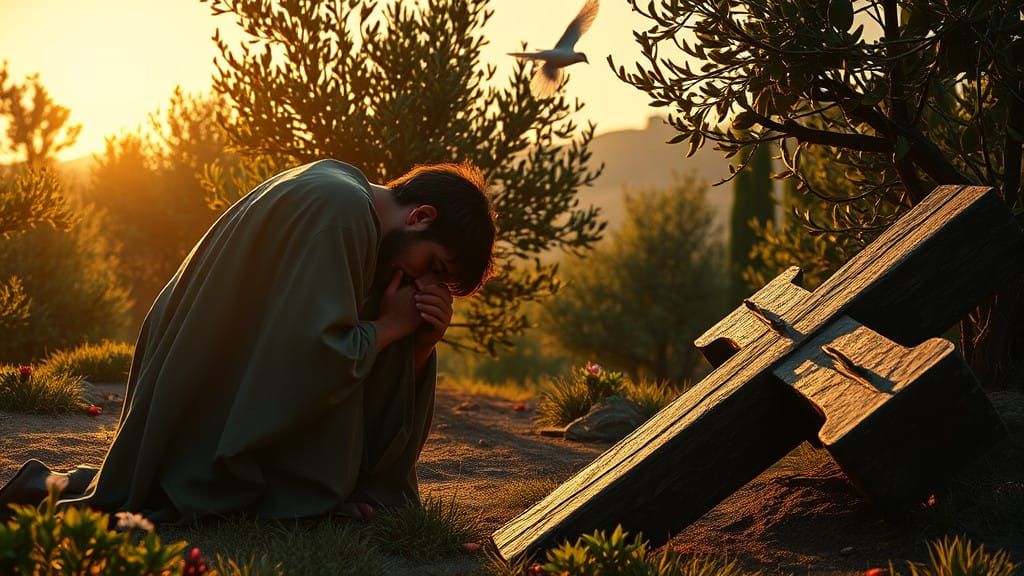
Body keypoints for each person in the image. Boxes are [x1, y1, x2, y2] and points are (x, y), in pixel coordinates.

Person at [0, 158, 497, 523]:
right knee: (200, 493)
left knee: (169, 486)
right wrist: (391, 328)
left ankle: (43, 483)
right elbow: (312, 355)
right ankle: (47, 486)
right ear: (420, 217)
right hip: (202, 382)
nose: (420, 284)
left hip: (217, 373)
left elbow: (316, 346)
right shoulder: (342, 211)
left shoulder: (349, 200)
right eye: (432, 267)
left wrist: (419, 344)